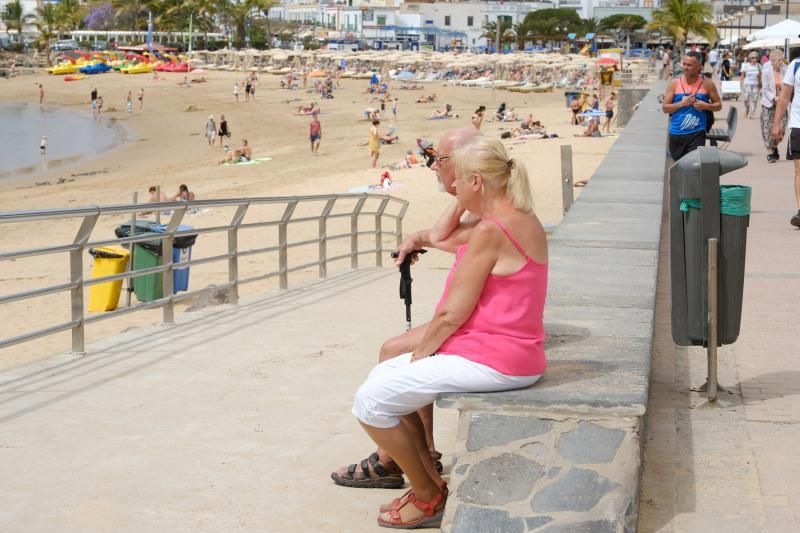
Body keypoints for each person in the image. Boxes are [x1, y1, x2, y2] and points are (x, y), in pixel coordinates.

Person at [347, 137, 547, 528]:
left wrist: (421, 355)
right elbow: (443, 244)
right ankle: (430, 483)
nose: (451, 187)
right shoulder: (518, 217)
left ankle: (428, 497)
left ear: (476, 182)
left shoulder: (493, 229)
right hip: (501, 351)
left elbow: (451, 314)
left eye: (459, 182)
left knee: (370, 401)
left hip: (499, 359)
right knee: (384, 377)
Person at [331, 128, 481, 491]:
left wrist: (459, 192)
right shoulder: (481, 203)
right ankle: (417, 453)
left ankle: (395, 459)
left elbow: (447, 235)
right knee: (396, 350)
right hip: (477, 319)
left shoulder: (488, 211)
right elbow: (446, 233)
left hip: (480, 328)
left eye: (438, 160)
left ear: (465, 167)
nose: (432, 167)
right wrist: (420, 233)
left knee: (396, 351)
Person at [662, 51, 722, 161]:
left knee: (693, 166)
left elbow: (718, 105)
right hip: (676, 133)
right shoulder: (674, 83)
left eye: (689, 65)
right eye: (684, 64)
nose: (685, 67)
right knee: (678, 166)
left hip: (697, 133)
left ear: (699, 66)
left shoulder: (707, 84)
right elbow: (665, 108)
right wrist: (682, 103)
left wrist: (706, 106)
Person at [771, 50, 800, 227]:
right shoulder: (796, 65)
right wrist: (776, 124)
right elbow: (784, 96)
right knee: (799, 168)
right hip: (798, 124)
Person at [761, 50, 787, 163]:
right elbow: (765, 89)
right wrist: (773, 98)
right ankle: (770, 152)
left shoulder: (786, 69)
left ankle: (775, 145)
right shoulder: (766, 71)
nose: (781, 62)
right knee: (767, 129)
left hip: (782, 103)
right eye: (778, 60)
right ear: (772, 61)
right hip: (768, 103)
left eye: (782, 59)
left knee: (781, 129)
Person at [741, 52, 762, 119]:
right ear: (750, 58)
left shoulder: (759, 65)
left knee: (754, 99)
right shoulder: (746, 65)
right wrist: (741, 83)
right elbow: (742, 75)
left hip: (756, 84)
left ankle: (752, 113)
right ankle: (747, 108)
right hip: (747, 84)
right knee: (746, 98)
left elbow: (761, 75)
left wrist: (761, 83)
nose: (755, 59)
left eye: (756, 57)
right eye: (753, 57)